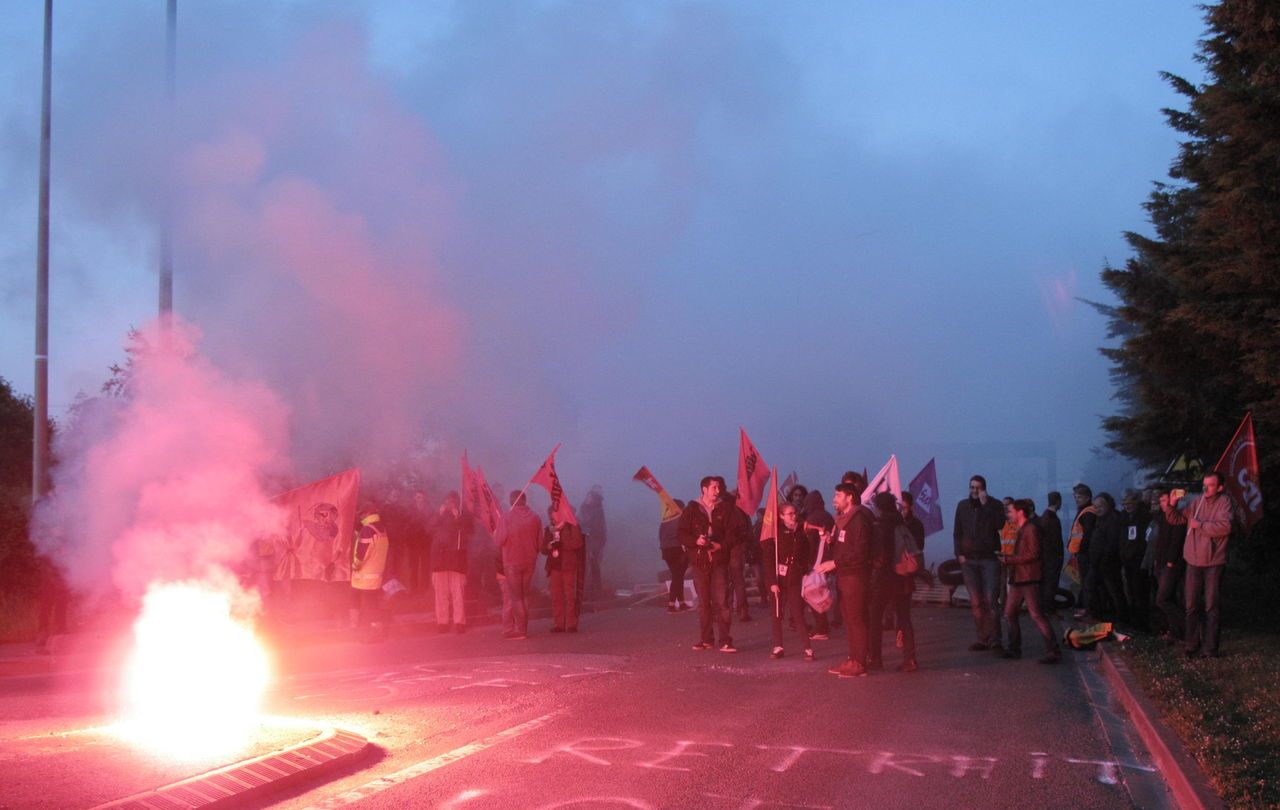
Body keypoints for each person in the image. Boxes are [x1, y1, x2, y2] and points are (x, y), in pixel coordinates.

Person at [1162, 471, 1234, 658]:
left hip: (1213, 562)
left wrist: (1200, 525)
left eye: (1210, 485)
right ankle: (1191, 643)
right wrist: (1172, 505)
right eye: (1205, 484)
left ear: (1220, 487)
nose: (1206, 488)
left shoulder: (1224, 503)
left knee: (1211, 606)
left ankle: (1210, 648)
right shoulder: (1198, 502)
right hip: (1193, 560)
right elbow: (1177, 519)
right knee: (1191, 605)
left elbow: (1225, 527)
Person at [678, 476, 743, 652]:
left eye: (719, 487)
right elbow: (681, 533)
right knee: (704, 601)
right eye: (714, 487)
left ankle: (725, 640)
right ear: (704, 489)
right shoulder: (691, 509)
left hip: (719, 560)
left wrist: (721, 545)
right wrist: (695, 541)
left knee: (722, 601)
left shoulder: (726, 508)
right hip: (699, 561)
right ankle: (706, 639)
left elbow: (735, 532)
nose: (718, 491)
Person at [822, 478, 876, 678]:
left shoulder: (859, 519)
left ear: (850, 497)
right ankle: (853, 658)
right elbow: (845, 546)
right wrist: (830, 541)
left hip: (855, 576)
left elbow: (861, 552)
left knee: (856, 618)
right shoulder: (843, 519)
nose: (834, 499)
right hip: (845, 576)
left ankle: (860, 662)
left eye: (838, 495)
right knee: (849, 618)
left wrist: (835, 563)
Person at [1000, 499, 1061, 664]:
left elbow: (1033, 554)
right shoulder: (1023, 529)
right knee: (1010, 613)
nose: (1009, 514)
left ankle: (1053, 650)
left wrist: (1009, 560)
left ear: (1020, 512)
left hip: (1028, 578)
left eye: (1011, 511)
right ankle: (1014, 649)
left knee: (1036, 615)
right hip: (1019, 578)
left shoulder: (1030, 529)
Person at [953, 475, 1005, 652]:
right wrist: (959, 554)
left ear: (984, 489)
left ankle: (996, 639)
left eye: (978, 487)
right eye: (972, 487)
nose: (975, 490)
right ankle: (983, 638)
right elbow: (957, 532)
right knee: (976, 601)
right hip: (969, 560)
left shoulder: (994, 504)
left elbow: (1000, 524)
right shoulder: (962, 506)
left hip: (988, 559)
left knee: (991, 599)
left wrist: (986, 505)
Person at [868, 492, 917, 672]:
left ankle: (875, 659)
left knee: (875, 618)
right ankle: (910, 658)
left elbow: (880, 556)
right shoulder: (902, 523)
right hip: (904, 577)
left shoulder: (880, 527)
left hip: (885, 579)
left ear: (880, 508)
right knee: (904, 618)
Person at [762, 502, 813, 661]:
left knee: (797, 611)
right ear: (781, 516)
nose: (793, 516)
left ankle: (807, 647)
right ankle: (778, 646)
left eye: (794, 512)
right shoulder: (775, 533)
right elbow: (768, 559)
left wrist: (804, 571)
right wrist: (772, 581)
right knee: (777, 612)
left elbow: (807, 553)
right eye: (790, 513)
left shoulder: (800, 531)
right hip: (778, 576)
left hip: (795, 575)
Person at [497, 491, 543, 640]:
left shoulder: (506, 517)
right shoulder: (535, 517)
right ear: (524, 500)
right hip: (529, 561)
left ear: (512, 501)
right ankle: (524, 629)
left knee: (516, 597)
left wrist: (496, 533)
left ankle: (521, 631)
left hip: (512, 561)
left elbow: (499, 540)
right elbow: (540, 543)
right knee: (524, 596)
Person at [431, 491, 471, 634]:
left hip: (456, 561)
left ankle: (459, 622)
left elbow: (468, 531)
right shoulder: (438, 515)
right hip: (440, 561)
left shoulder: (463, 515)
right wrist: (439, 515)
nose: (449, 504)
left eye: (452, 501)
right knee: (440, 594)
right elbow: (428, 529)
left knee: (457, 593)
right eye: (447, 501)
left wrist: (457, 517)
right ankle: (442, 622)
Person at [1152, 488, 1188, 642]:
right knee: (1169, 598)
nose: (1162, 504)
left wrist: (1171, 561)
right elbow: (1160, 542)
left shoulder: (1178, 517)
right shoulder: (1161, 518)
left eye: (1165, 501)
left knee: (1162, 599)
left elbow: (1177, 541)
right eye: (1161, 501)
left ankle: (1191, 627)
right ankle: (1175, 631)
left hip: (1171, 564)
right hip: (1161, 563)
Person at [1086, 493, 1128, 623]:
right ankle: (1099, 614)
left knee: (1114, 591)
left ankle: (1123, 618)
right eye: (1095, 507)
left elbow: (1112, 543)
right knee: (1095, 588)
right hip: (1097, 563)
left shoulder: (1114, 519)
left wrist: (1103, 560)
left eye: (1100, 506)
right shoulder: (1101, 519)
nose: (1098, 509)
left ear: (1108, 505)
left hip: (1108, 564)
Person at [542, 506, 585, 633]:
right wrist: (549, 546)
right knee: (556, 596)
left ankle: (571, 624)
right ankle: (559, 624)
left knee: (570, 595)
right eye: (550, 514)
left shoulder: (572, 525)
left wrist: (562, 542)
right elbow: (542, 548)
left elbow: (577, 543)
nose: (552, 517)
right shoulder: (549, 529)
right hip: (555, 566)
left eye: (554, 514)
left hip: (569, 565)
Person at [350, 508, 390, 641]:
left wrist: (355, 565)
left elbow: (362, 551)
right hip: (376, 574)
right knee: (374, 603)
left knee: (369, 605)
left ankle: (374, 634)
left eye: (362, 514)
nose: (360, 517)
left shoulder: (367, 530)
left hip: (365, 575)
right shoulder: (380, 528)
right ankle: (378, 631)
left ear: (367, 513)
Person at [802, 489, 836, 638]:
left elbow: (810, 544)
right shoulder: (829, 516)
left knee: (813, 593)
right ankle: (827, 624)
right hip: (829, 560)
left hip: (816, 562)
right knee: (823, 591)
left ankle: (821, 628)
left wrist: (807, 563)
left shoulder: (812, 518)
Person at [1118, 489, 1152, 631]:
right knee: (1130, 591)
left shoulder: (1144, 516)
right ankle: (1133, 621)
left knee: (1140, 592)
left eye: (1130, 502)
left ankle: (1142, 624)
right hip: (1127, 561)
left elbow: (1144, 540)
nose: (1127, 505)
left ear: (1136, 501)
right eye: (1125, 503)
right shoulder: (1124, 517)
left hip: (1139, 560)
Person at [1068, 484, 1097, 618]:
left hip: (1084, 553)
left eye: (1079, 496)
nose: (1076, 499)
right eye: (1075, 496)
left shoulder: (1088, 512)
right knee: (1084, 581)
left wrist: (1081, 550)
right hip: (1082, 553)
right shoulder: (1084, 511)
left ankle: (1088, 609)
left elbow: (1087, 534)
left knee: (1087, 582)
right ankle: (1085, 606)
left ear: (1087, 497)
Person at [1037, 491, 1065, 616]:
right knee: (1051, 582)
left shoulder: (1044, 517)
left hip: (1046, 556)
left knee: (1047, 582)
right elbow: (1055, 539)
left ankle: (1046, 607)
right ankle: (1049, 609)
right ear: (1058, 501)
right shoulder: (1052, 518)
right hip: (1052, 557)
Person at [660, 500, 690, 613]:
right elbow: (683, 535)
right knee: (678, 577)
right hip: (678, 550)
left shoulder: (664, 521)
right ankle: (671, 604)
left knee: (677, 576)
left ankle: (681, 603)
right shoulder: (680, 520)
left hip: (666, 551)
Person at [578, 485, 608, 595]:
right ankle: (593, 586)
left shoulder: (596, 509)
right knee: (592, 562)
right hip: (592, 537)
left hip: (594, 538)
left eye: (590, 497)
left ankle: (594, 587)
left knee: (593, 562)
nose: (588, 498)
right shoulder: (590, 507)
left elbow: (594, 524)